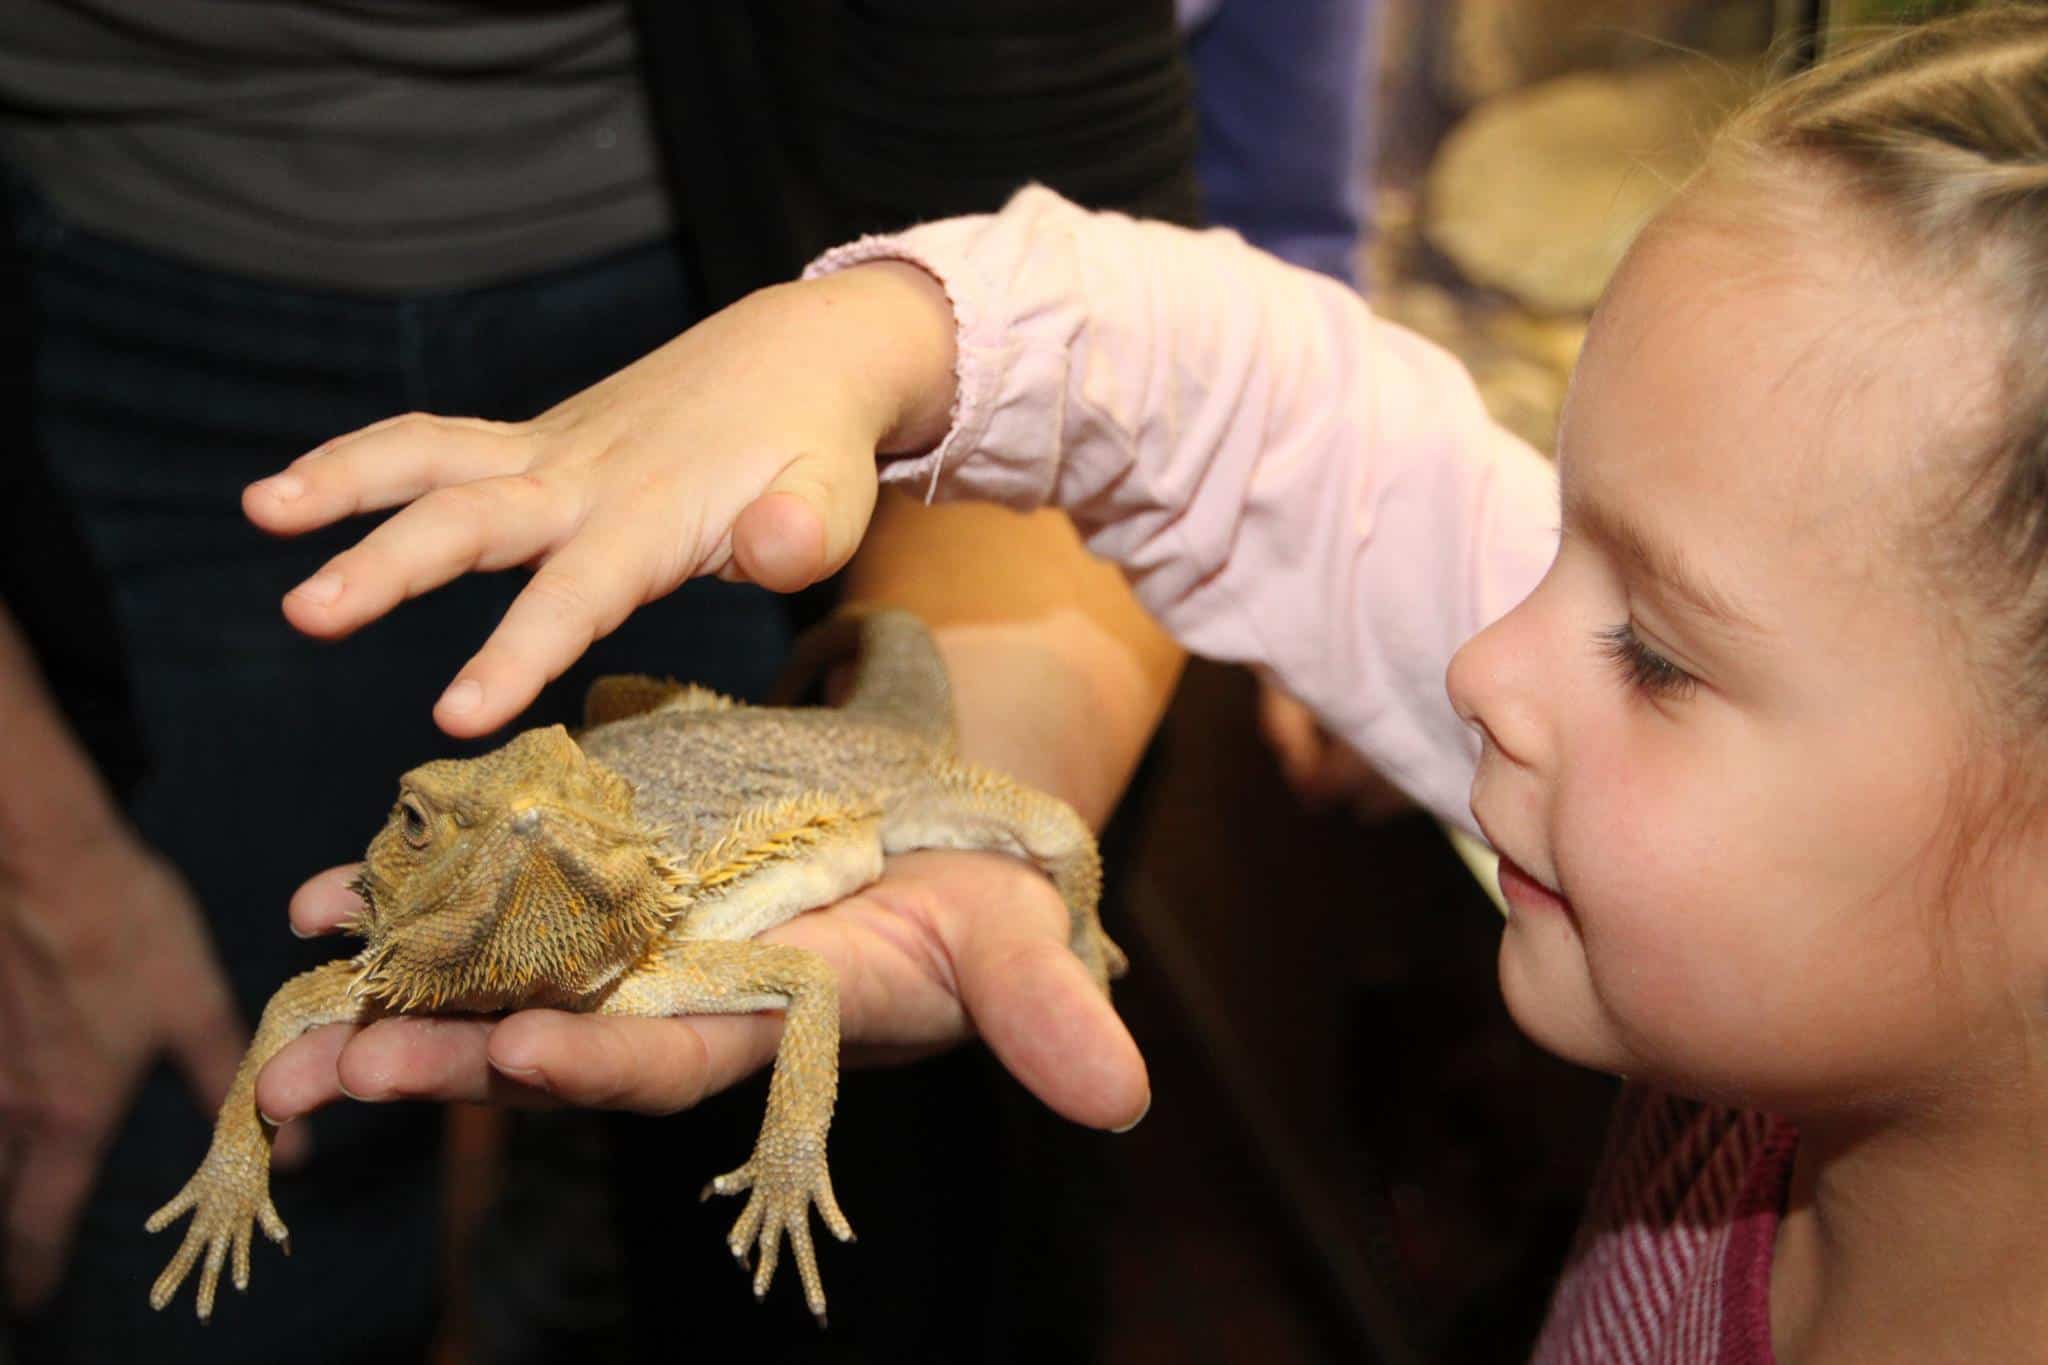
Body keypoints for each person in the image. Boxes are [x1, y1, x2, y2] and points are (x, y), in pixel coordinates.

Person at [256, 8, 2048, 1359]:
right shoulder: (1788, 959)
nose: (1485, 653)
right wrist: (866, 336)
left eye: (1653, 648)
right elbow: (1261, 404)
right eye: (1552, 529)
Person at [0, 4, 1191, 1361]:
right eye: (432, 829)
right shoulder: (385, 959)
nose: (514, 831)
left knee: (1017, 884)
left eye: (542, 815)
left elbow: (1091, 274)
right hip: (105, 284)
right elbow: (292, 1001)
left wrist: (1043, 919)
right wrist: (231, 1151)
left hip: (724, 269)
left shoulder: (668, 948)